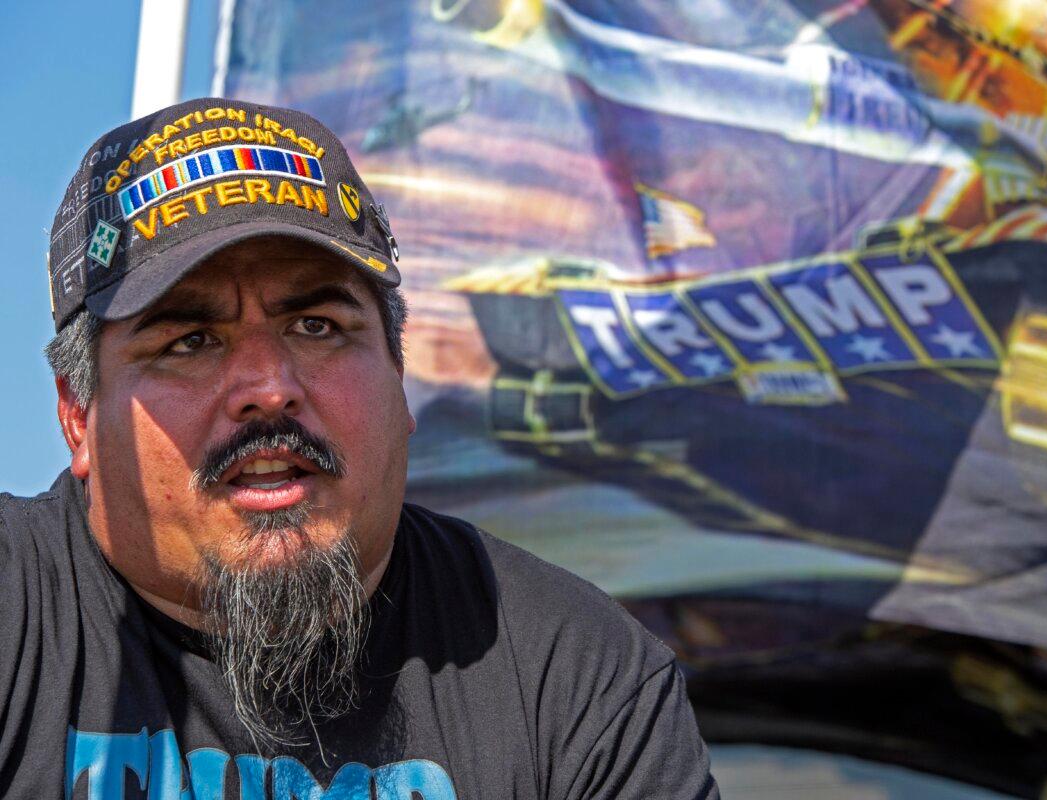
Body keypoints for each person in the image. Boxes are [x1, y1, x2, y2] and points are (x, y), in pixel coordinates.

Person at [1, 98, 719, 799]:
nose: (269, 388)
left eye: (316, 326)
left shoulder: (574, 675)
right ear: (77, 414)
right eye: (189, 341)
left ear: (398, 376)